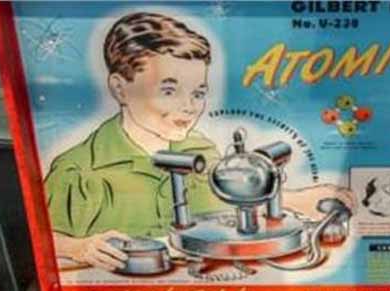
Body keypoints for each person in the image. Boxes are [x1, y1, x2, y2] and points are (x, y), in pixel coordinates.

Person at [45, 12, 351, 271]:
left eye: (198, 93)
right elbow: (43, 238)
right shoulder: (78, 171)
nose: (189, 106)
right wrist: (79, 247)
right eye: (168, 90)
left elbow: (227, 197)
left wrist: (299, 200)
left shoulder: (199, 149)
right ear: (120, 88)